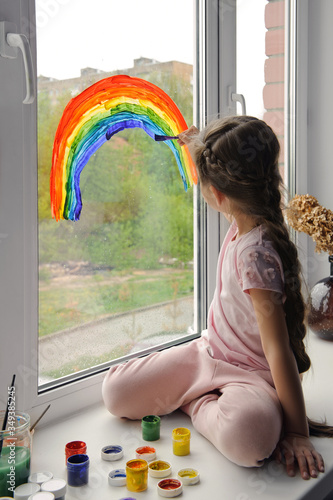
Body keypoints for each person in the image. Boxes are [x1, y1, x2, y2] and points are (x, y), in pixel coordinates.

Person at [102, 116, 332, 480]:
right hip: (207, 352)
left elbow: (277, 350)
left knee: (251, 440)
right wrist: (196, 145)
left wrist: (298, 433)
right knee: (115, 393)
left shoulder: (256, 252)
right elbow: (227, 169)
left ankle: (195, 402)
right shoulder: (246, 217)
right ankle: (199, 391)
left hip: (251, 378)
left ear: (220, 194)